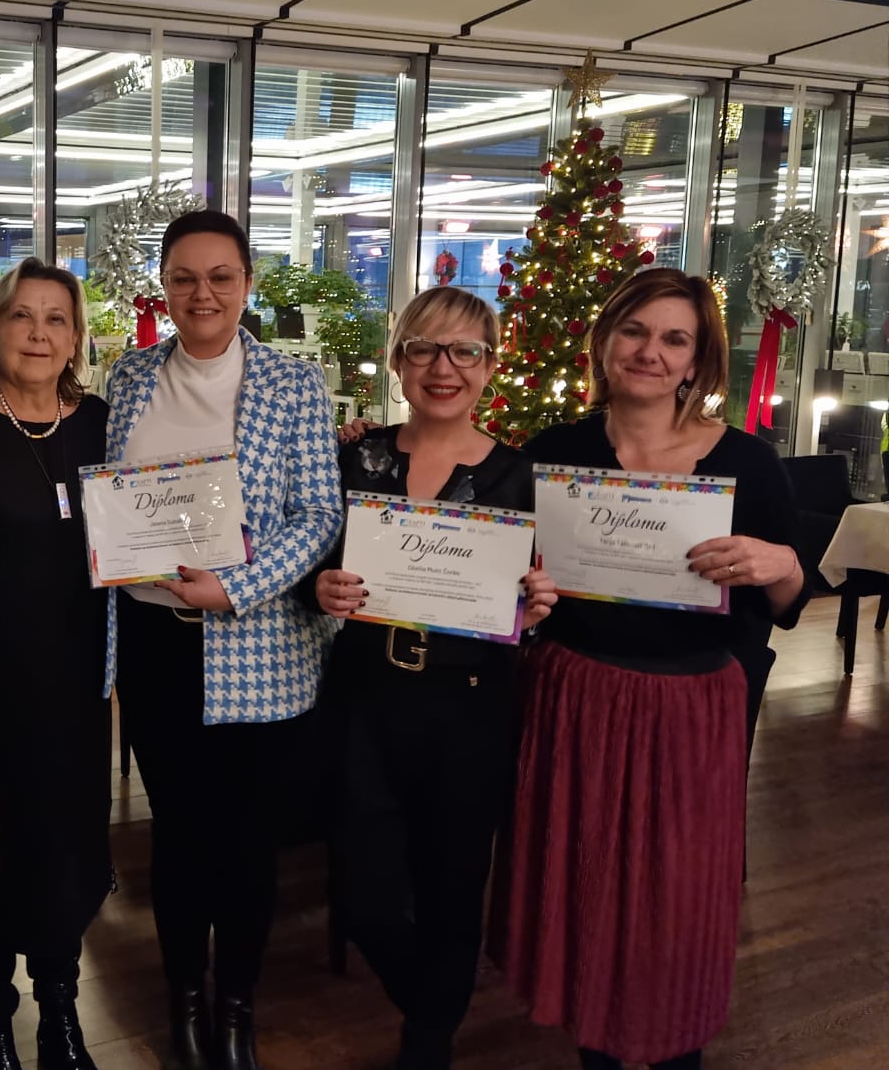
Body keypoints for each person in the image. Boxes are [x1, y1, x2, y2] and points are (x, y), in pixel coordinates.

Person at [489, 268, 810, 1070]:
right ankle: (595, 1045)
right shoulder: (553, 453)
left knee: (675, 898)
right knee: (584, 884)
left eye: (674, 339)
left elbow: (788, 600)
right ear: (605, 341)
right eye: (634, 331)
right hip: (575, 694)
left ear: (698, 360)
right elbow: (507, 575)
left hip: (689, 707)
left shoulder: (748, 462)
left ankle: (672, 1048)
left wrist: (780, 562)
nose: (649, 352)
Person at [104, 209, 344, 1070]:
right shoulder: (129, 376)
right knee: (177, 834)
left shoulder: (293, 384)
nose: (201, 293)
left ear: (246, 284)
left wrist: (235, 586)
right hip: (154, 643)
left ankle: (236, 1006)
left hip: (260, 643)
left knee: (246, 843)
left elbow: (320, 514)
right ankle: (184, 997)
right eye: (183, 277)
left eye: (220, 277)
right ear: (164, 287)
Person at [312, 286, 556, 1070]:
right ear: (399, 361)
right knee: (365, 897)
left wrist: (536, 604)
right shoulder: (354, 457)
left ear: (489, 365)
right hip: (365, 695)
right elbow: (313, 556)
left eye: (464, 351)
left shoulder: (523, 477)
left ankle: (428, 1044)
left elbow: (537, 599)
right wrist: (319, 586)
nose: (443, 367)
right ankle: (433, 1004)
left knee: (452, 888)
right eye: (424, 348)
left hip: (470, 706)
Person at [0, 258, 112, 1070]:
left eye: (56, 319)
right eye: (22, 316)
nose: (39, 334)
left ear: (75, 340)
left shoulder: (102, 423)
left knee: (62, 851)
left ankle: (61, 1013)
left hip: (77, 687)